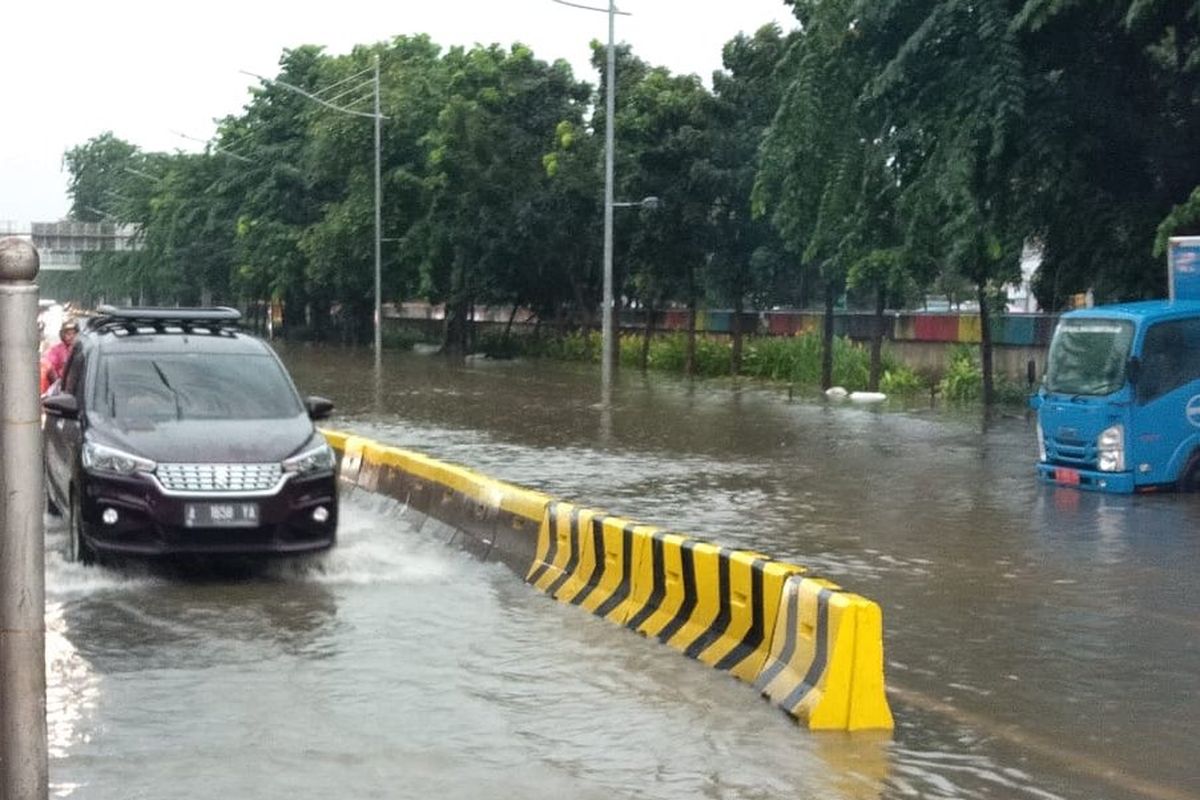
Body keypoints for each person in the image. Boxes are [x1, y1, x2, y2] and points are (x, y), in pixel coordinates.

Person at [41, 319, 79, 392]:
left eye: (74, 333)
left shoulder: (83, 350)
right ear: (62, 335)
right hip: (62, 387)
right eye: (68, 334)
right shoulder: (56, 350)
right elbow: (47, 364)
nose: (71, 336)